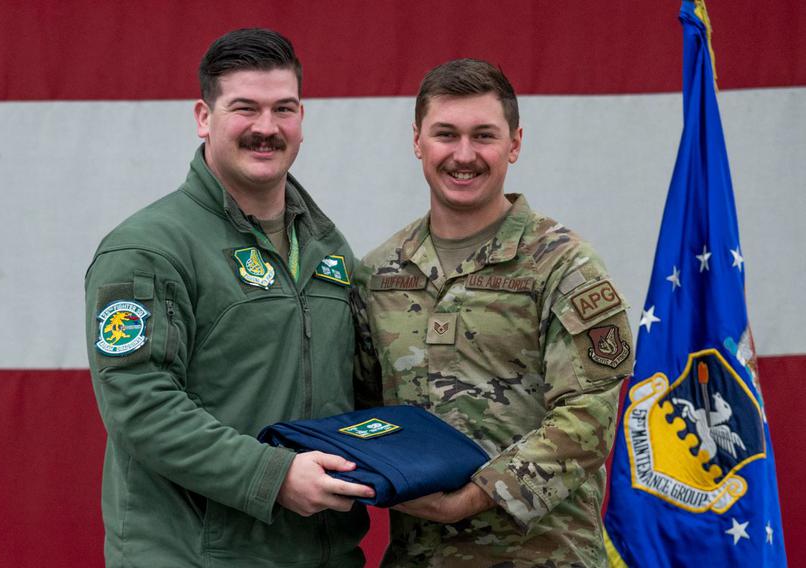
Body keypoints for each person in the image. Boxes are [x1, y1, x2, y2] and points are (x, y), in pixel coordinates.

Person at [85, 28, 373, 567]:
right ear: (203, 116)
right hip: (195, 556)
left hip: (322, 554)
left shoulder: (327, 248)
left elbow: (360, 392)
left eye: (283, 109)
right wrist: (273, 476)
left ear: (301, 120)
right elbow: (140, 403)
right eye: (246, 108)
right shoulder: (148, 248)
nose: (266, 128)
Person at [353, 59, 634, 566]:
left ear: (515, 143)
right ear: (418, 141)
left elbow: (589, 420)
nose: (464, 155)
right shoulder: (378, 273)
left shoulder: (564, 265)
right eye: (446, 135)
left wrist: (477, 495)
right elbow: (357, 408)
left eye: (484, 135)